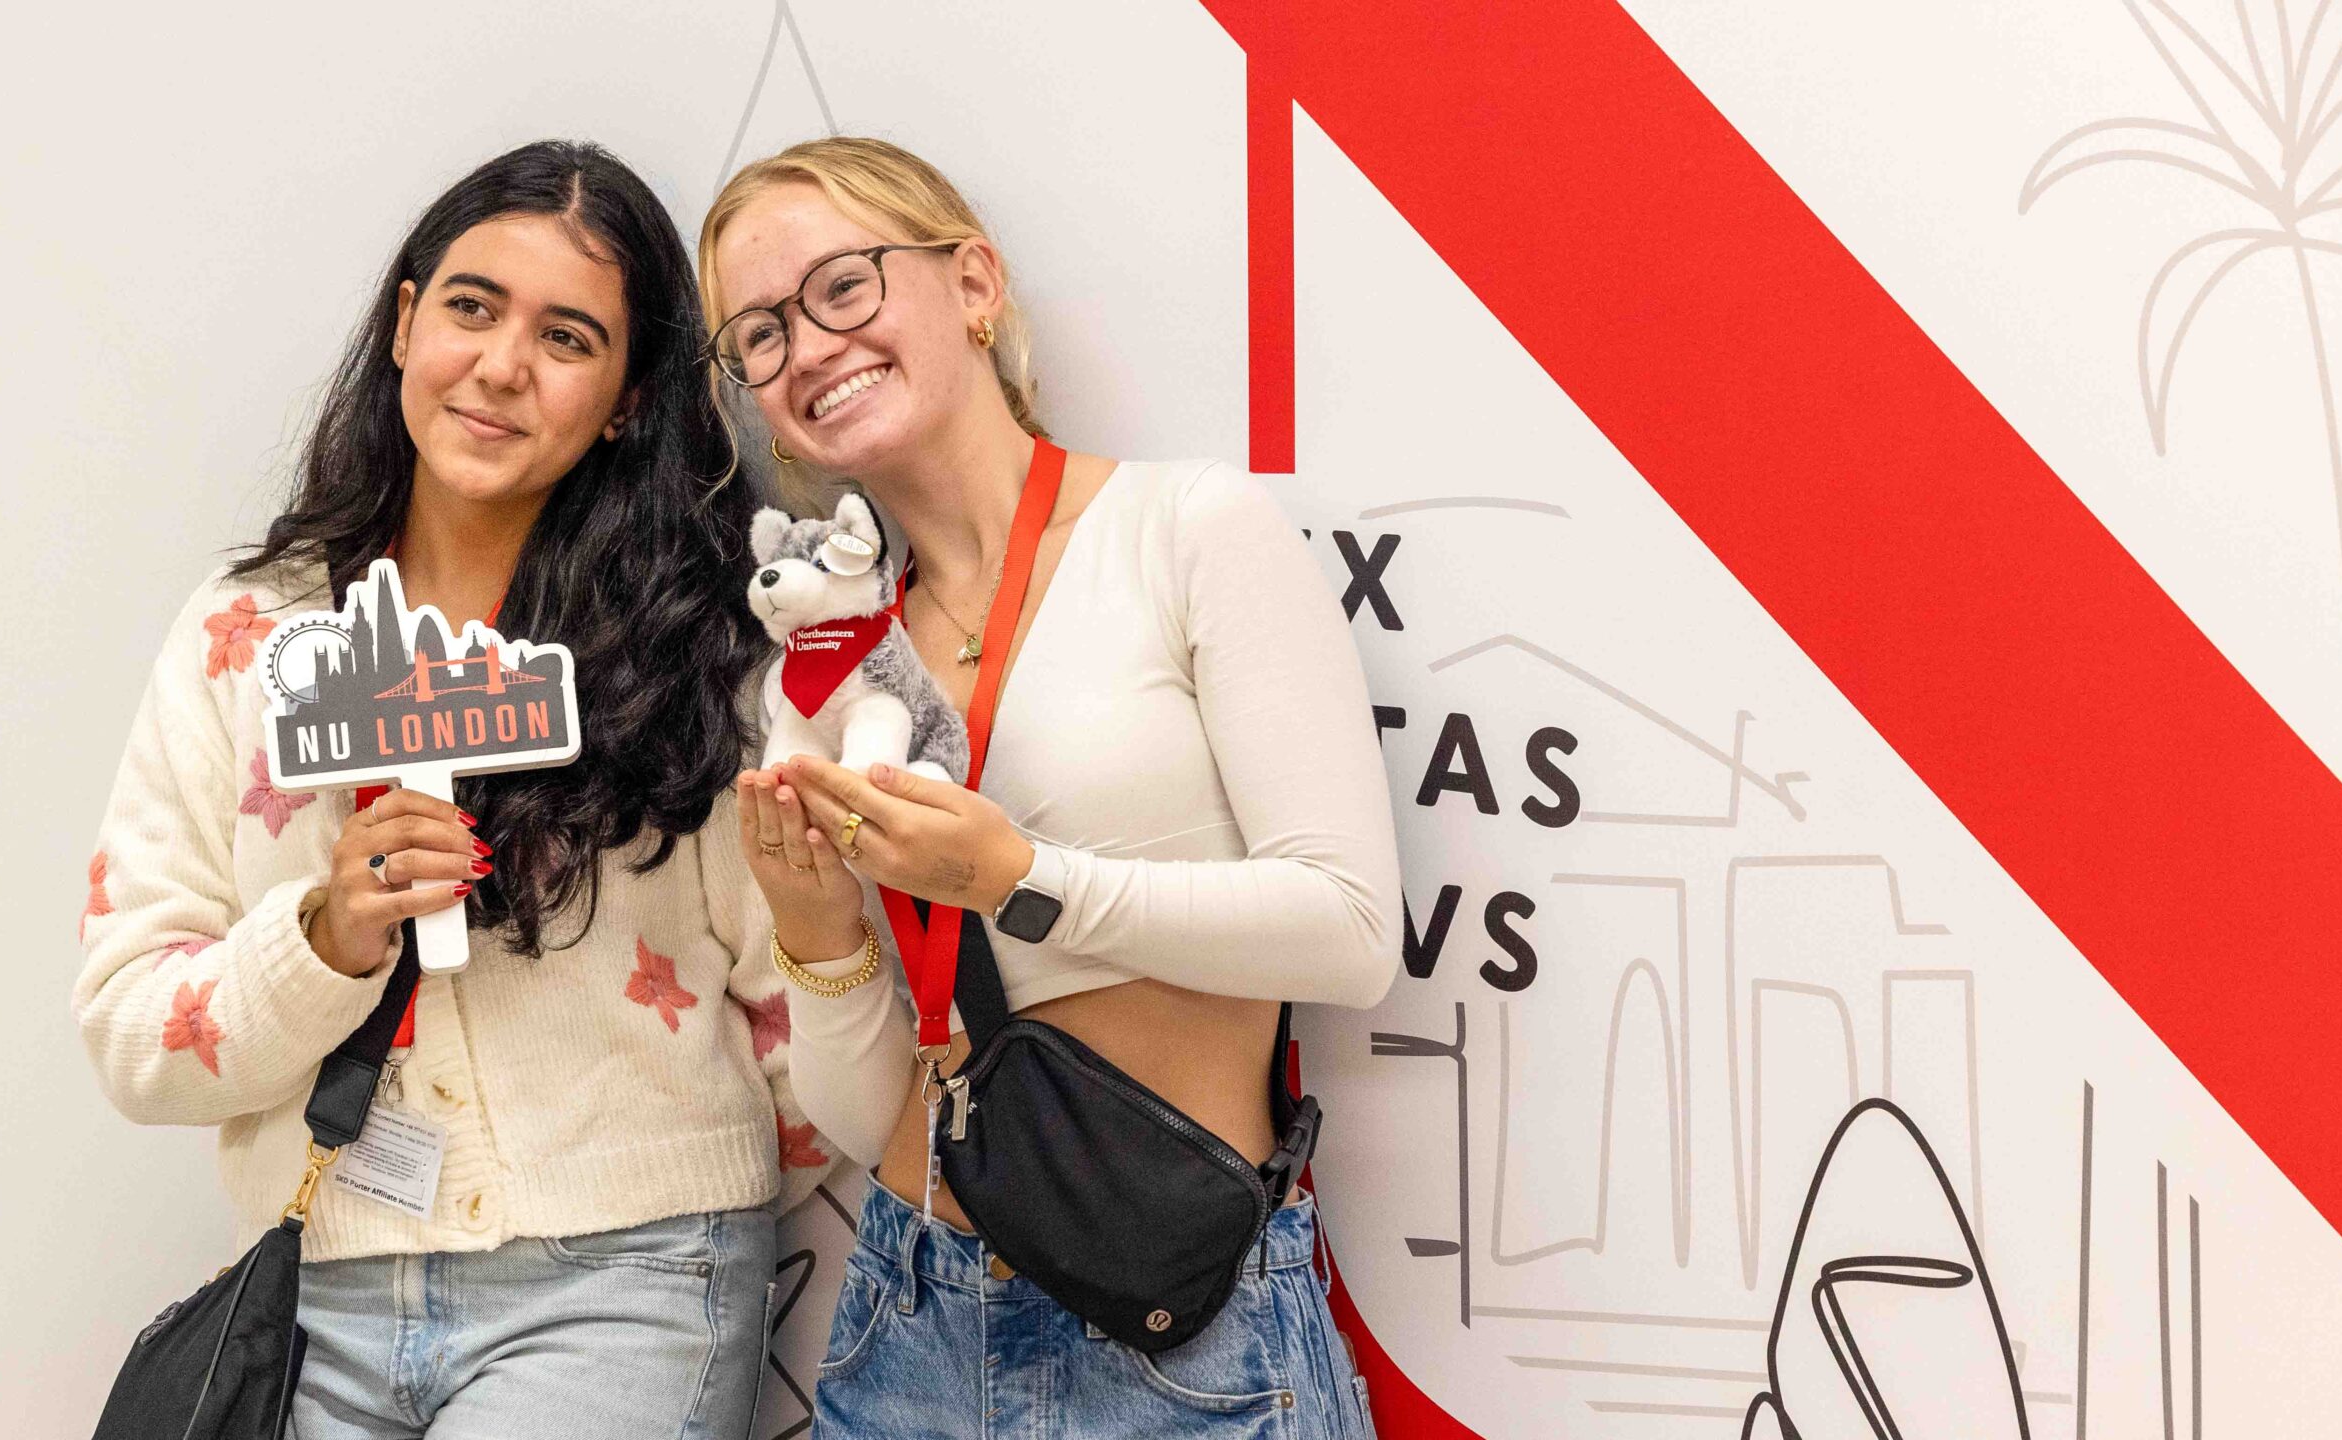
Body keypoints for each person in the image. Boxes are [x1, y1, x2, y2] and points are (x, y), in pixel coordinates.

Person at [74, 140, 826, 1439]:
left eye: (568, 337)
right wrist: (322, 939)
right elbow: (135, 1034)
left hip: (626, 1276)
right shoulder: (244, 634)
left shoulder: (698, 643)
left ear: (631, 396)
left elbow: (798, 1013)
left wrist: (652, 1166)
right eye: (472, 308)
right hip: (315, 1293)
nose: (500, 367)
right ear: (408, 318)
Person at [699, 136, 1398, 1437]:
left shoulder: (1184, 531)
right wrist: (820, 939)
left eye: (842, 287)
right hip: (909, 1328)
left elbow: (1350, 931)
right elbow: (868, 1113)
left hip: (1182, 1340)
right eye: (760, 332)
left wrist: (1023, 885)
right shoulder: (826, 681)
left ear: (972, 283)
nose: (807, 345)